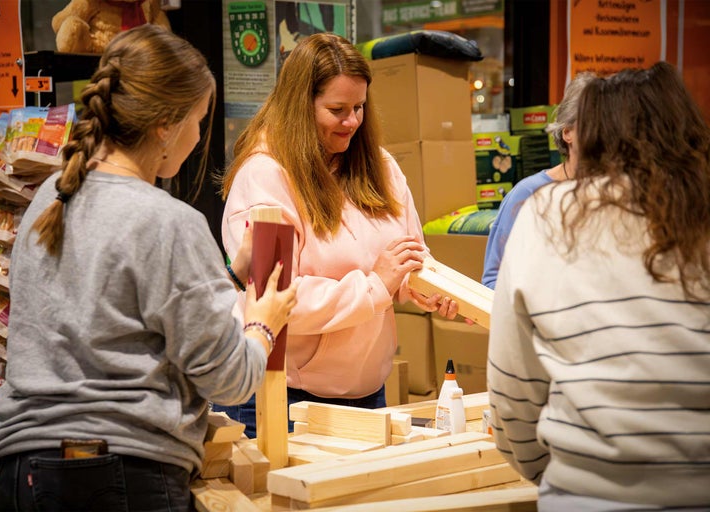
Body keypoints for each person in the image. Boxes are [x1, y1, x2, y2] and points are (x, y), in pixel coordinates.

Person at [0, 25, 297, 511]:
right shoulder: (168, 222)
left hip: (17, 473)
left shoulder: (52, 198)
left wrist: (228, 278)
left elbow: (116, 322)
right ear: (165, 125)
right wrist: (262, 324)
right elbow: (229, 379)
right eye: (198, 120)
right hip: (114, 477)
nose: (199, 135)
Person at [487, 61, 710, 510]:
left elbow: (512, 387)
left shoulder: (548, 215)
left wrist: (555, 472)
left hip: (584, 493)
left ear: (588, 135)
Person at [217, 33, 459, 437]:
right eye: (337, 109)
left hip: (367, 394)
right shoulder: (265, 176)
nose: (352, 121)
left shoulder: (379, 166)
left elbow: (408, 256)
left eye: (360, 107)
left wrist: (423, 288)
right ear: (300, 106)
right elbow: (276, 302)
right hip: (287, 400)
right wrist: (376, 286)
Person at [481, 72, 595, 289]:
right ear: (567, 132)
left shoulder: (616, 193)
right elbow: (492, 280)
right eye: (593, 122)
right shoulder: (528, 194)